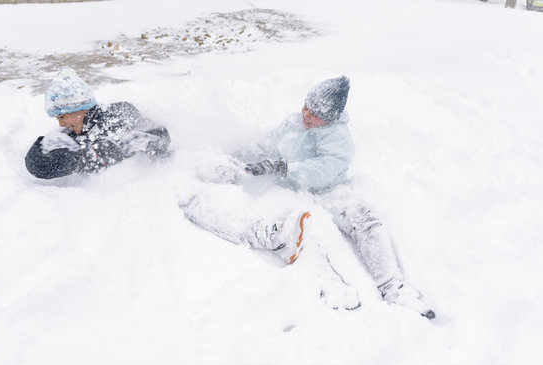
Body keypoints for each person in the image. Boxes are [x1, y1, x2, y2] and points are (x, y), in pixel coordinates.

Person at [182, 76, 435, 319]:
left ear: (330, 118)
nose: (306, 115)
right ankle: (331, 286)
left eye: (315, 114)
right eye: (306, 107)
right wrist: (245, 158)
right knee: (299, 233)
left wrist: (284, 167)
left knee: (364, 220)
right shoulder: (293, 122)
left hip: (329, 190)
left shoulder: (338, 138)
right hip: (291, 191)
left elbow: (326, 169)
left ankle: (394, 286)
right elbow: (267, 144)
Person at [25, 67, 170, 179]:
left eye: (62, 117)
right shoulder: (71, 138)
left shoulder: (120, 112)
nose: (60, 124)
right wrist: (42, 146)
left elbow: (163, 139)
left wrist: (146, 143)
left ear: (79, 108)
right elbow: (40, 168)